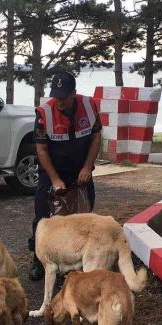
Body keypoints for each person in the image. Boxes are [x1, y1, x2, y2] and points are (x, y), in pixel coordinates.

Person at [28, 71, 102, 281]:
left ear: (74, 93)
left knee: (82, 218)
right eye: (56, 96)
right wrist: (54, 180)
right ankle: (37, 258)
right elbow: (41, 150)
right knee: (43, 218)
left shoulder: (89, 107)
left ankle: (74, 261)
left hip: (80, 170)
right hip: (52, 169)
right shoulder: (45, 113)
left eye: (64, 96)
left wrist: (88, 167)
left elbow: (96, 137)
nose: (59, 101)